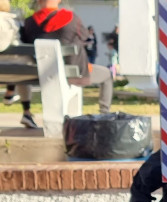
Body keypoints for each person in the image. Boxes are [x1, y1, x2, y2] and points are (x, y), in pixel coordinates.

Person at [22, 0, 113, 114]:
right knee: (107, 75)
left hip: (41, 74)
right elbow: (84, 37)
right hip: (74, 73)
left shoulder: (29, 22)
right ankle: (104, 113)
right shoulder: (70, 18)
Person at [0, 0, 37, 128]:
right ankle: (26, 112)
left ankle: (10, 93)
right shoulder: (11, 21)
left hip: (4, 69)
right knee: (21, 67)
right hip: (20, 71)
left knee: (15, 66)